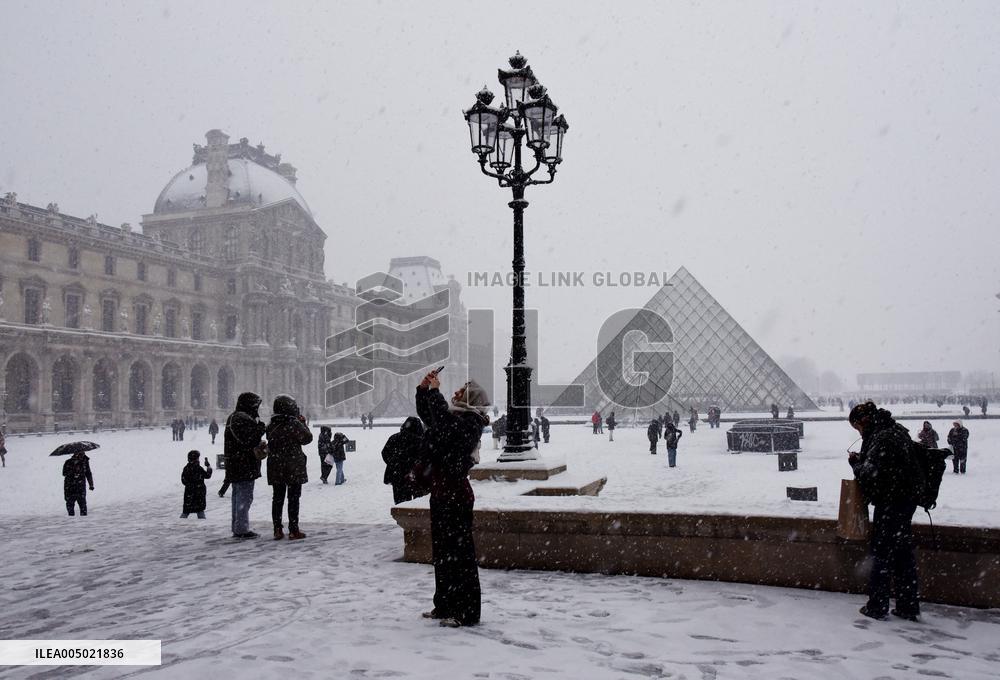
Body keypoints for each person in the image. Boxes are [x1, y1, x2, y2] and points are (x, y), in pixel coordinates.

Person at [416, 372, 489, 628]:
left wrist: (435, 394)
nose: (455, 393)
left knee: (460, 556)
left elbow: (445, 427)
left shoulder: (471, 421)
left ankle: (466, 612)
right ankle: (445, 604)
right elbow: (432, 418)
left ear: (470, 398)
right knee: (443, 554)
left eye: (460, 391)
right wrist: (423, 391)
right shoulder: (456, 416)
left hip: (456, 495)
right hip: (442, 492)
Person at [848, 401, 921, 621]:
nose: (859, 433)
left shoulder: (882, 437)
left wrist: (856, 465)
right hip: (905, 501)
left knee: (880, 555)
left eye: (857, 428)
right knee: (902, 555)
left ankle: (877, 606)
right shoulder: (895, 431)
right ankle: (908, 605)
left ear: (864, 421)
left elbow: (872, 474)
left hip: (891, 502)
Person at [266, 395, 313, 540]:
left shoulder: (272, 424)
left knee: (277, 498)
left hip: (275, 465)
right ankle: (293, 529)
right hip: (293, 466)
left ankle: (277, 529)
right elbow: (307, 438)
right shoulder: (293, 423)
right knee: (293, 498)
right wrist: (303, 423)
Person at [224, 392, 267, 539]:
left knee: (238, 497)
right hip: (243, 464)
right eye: (256, 405)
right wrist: (260, 428)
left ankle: (237, 526)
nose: (257, 409)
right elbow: (248, 440)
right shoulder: (241, 418)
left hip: (236, 463)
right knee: (244, 497)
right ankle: (241, 528)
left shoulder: (234, 417)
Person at [382, 416, 427, 504]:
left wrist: (393, 463)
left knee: (401, 503)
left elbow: (384, 453)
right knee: (418, 504)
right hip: (416, 476)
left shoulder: (394, 438)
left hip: (397, 475)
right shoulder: (421, 441)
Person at [180, 451, 213, 519]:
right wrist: (208, 466)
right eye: (198, 458)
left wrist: (190, 485)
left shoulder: (186, 468)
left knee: (186, 511)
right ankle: (203, 526)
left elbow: (183, 480)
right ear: (196, 459)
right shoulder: (199, 468)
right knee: (200, 510)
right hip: (199, 493)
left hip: (189, 493)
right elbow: (208, 475)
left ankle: (180, 524)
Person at [63, 449, 94, 516]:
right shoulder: (68, 462)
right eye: (80, 454)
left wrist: (91, 484)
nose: (82, 455)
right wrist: (73, 472)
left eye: (82, 453)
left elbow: (88, 473)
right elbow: (64, 473)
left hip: (80, 487)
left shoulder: (85, 463)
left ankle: (83, 523)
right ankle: (71, 521)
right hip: (69, 487)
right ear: (75, 454)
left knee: (83, 506)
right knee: (70, 506)